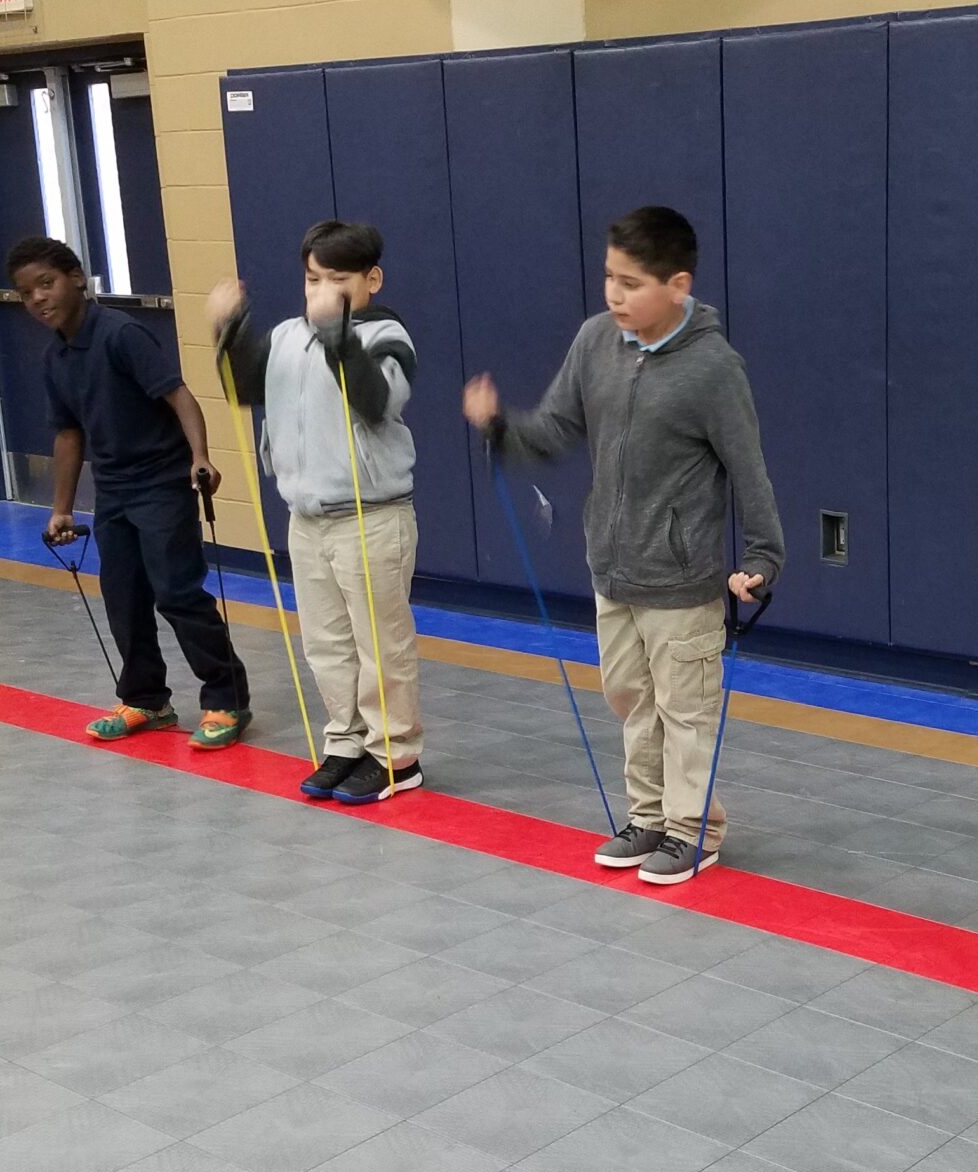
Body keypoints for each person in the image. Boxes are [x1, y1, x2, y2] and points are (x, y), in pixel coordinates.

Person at [462, 205, 783, 886]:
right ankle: (649, 816)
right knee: (630, 699)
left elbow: (748, 468)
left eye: (632, 282)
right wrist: (500, 428)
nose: (615, 294)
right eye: (610, 277)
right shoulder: (594, 342)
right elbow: (551, 429)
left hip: (682, 577)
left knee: (685, 709)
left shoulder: (715, 369)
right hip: (612, 570)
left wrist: (762, 557)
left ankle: (694, 829)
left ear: (678, 284)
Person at [208, 220, 424, 804]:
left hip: (372, 517)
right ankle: (346, 743)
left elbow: (376, 402)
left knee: (381, 645)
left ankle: (394, 756)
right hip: (306, 518)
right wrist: (230, 327)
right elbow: (243, 387)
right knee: (326, 643)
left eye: (338, 279)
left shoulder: (388, 335)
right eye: (312, 279)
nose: (322, 292)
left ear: (371, 279)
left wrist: (338, 334)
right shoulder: (285, 336)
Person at [17, 235, 251, 751]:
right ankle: (147, 699)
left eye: (46, 284)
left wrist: (200, 457)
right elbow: (68, 434)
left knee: (177, 592)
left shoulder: (121, 334)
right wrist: (60, 507)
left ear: (76, 278)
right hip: (116, 493)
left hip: (162, 483)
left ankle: (226, 698)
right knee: (123, 596)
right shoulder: (55, 359)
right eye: (26, 293)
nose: (37, 298)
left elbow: (179, 396)